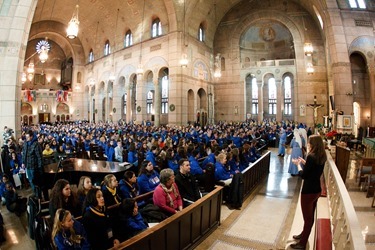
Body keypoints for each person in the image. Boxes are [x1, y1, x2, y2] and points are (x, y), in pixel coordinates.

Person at [290, 135, 327, 249]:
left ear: (313, 144)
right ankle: (303, 234)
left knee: (307, 219)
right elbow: (314, 170)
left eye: (310, 142)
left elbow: (304, 175)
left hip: (308, 191)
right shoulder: (322, 156)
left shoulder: (311, 156)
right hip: (316, 190)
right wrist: (304, 162)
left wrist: (298, 166)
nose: (308, 144)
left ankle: (302, 244)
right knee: (309, 217)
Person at [22, 130, 43, 197]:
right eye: (26, 137)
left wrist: (40, 167)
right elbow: (24, 153)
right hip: (27, 165)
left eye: (28, 137)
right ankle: (35, 192)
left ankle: (38, 195)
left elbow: (39, 157)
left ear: (31, 136)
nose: (26, 138)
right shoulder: (26, 143)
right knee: (30, 180)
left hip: (34, 166)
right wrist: (23, 162)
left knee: (35, 181)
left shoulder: (36, 144)